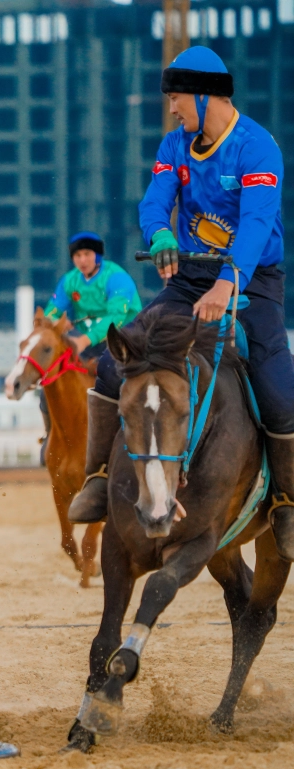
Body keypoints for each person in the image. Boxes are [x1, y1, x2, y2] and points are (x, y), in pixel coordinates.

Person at [68, 46, 294, 560]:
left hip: (252, 283)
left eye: (175, 98)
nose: (172, 109)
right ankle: (100, 479)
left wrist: (228, 283)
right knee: (111, 364)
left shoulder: (259, 149)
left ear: (203, 94)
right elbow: (155, 199)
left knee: (280, 392)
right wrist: (160, 233)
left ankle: (286, 501)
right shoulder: (175, 144)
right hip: (188, 280)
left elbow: (258, 224)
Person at [36, 232, 142, 461]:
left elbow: (116, 317)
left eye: (86, 254)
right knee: (50, 383)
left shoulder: (116, 278)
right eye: (77, 255)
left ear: (97, 256)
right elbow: (53, 311)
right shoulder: (70, 281)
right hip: (85, 345)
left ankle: (133, 436)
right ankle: (50, 436)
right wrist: (52, 323)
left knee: (125, 384)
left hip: (123, 341)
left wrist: (83, 340)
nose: (82, 260)